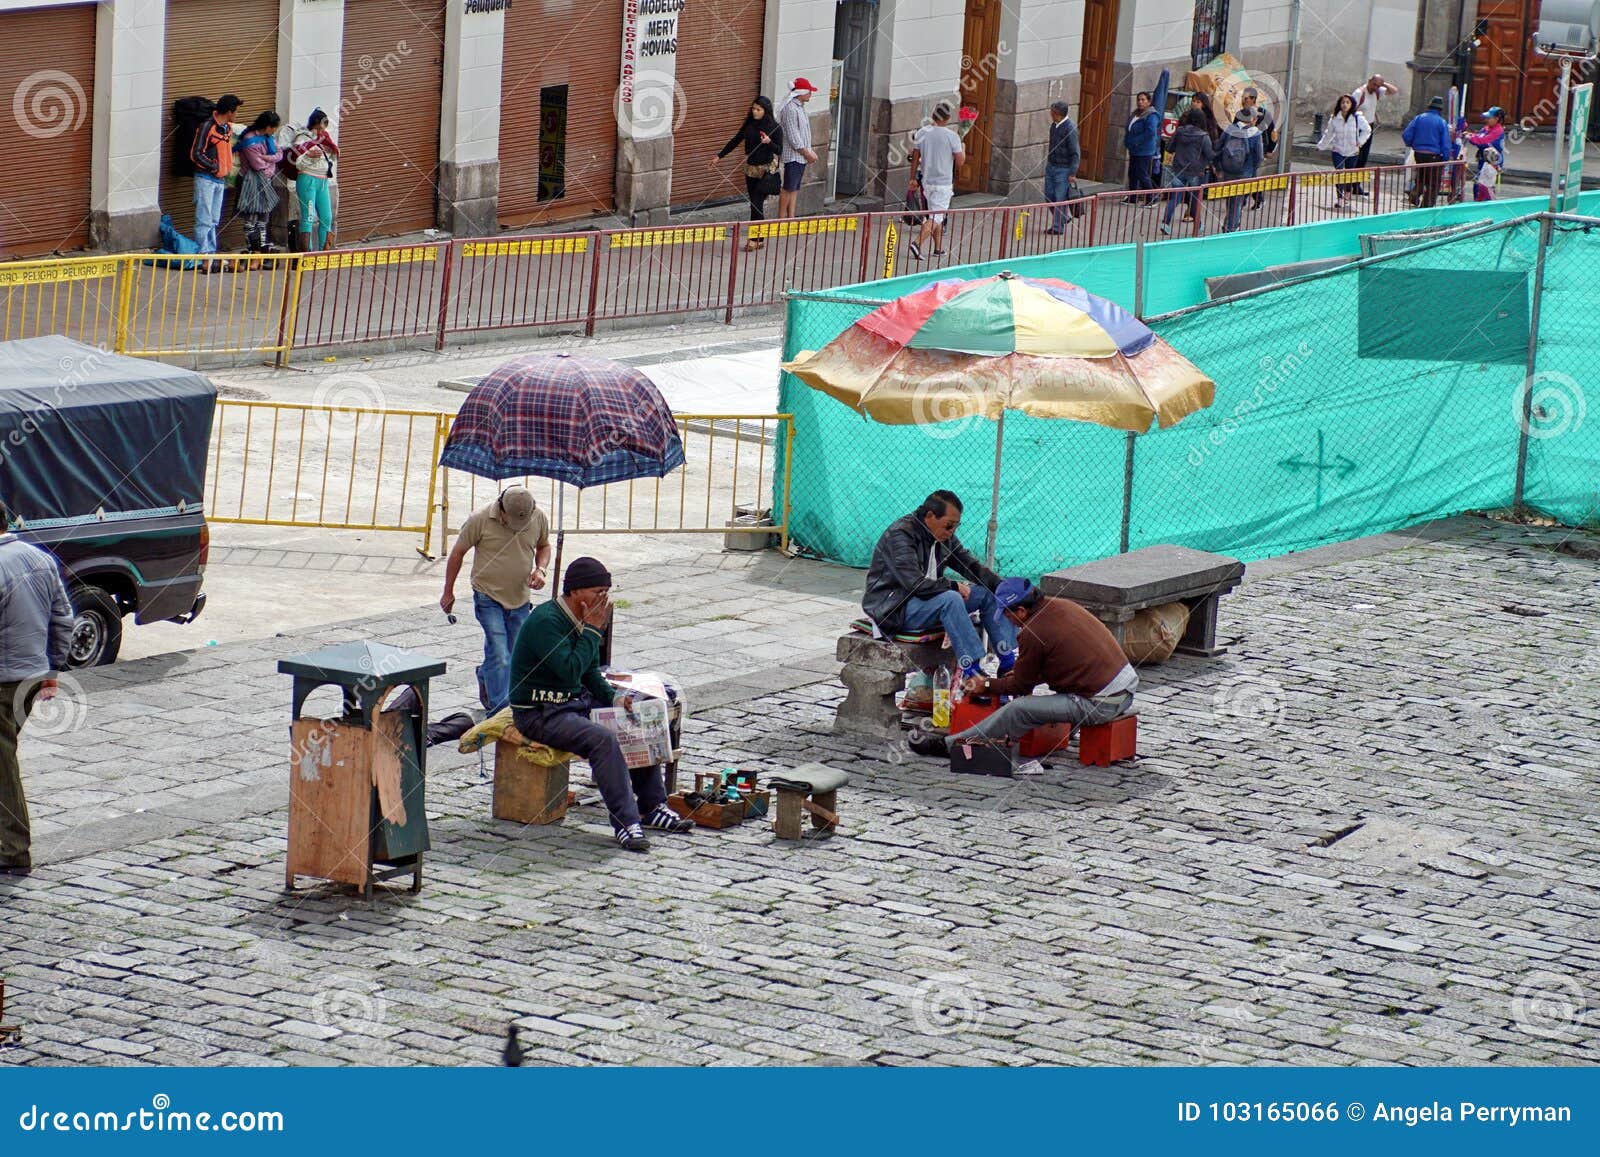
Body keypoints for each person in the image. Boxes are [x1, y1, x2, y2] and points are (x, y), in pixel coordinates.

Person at [508, 557, 693, 852]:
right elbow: (569, 670)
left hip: (574, 702)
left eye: (606, 591)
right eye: (597, 591)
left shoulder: (585, 616)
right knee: (603, 740)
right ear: (575, 592)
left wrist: (618, 699)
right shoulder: (546, 622)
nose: (603, 599)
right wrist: (594, 630)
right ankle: (626, 823)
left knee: (638, 717)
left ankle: (652, 806)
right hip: (541, 711)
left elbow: (589, 672)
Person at [950, 579, 1137, 746]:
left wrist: (987, 684)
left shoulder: (1031, 632)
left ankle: (955, 744)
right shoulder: (1062, 605)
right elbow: (1059, 663)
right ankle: (1058, 735)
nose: (1008, 621)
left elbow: (1021, 686)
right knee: (1050, 697)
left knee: (1017, 709)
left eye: (1007, 616)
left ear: (1021, 611)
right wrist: (1020, 674)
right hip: (1125, 691)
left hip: (1101, 704)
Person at [862, 491, 1016, 681]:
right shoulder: (900, 535)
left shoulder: (944, 536)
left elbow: (971, 566)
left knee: (988, 593)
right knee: (951, 598)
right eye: (949, 526)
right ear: (930, 516)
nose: (951, 532)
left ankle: (1008, 662)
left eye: (955, 527)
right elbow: (914, 584)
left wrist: (1005, 588)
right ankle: (973, 671)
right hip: (896, 609)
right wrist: (953, 586)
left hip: (928, 603)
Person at [0, 531, 75, 877]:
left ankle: (14, 850)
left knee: (3, 768)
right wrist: (53, 669)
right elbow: (63, 619)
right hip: (31, 677)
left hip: (4, 680)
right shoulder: (40, 559)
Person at [440, 487, 552, 715]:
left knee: (516, 652)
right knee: (499, 651)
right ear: (500, 508)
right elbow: (458, 553)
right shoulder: (479, 519)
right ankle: (502, 710)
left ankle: (487, 674)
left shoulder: (538, 516)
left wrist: (540, 570)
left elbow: (544, 545)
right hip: (487, 595)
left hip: (520, 597)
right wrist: (448, 592)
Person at [712, 97, 783, 249]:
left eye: (758, 110)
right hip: (750, 170)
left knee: (756, 204)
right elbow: (736, 139)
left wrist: (769, 142)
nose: (755, 112)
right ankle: (759, 240)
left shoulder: (775, 127)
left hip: (765, 170)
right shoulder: (750, 124)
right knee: (754, 204)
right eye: (753, 109)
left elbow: (780, 150)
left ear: (766, 111)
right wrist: (719, 156)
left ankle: (754, 240)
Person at [906, 104, 965, 261]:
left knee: (934, 214)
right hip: (943, 182)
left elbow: (915, 157)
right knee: (937, 217)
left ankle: (938, 249)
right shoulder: (952, 136)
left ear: (933, 115)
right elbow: (960, 162)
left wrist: (912, 178)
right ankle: (917, 244)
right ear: (948, 118)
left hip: (927, 181)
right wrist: (963, 149)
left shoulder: (922, 133)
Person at [190, 93, 242, 270]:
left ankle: (210, 254)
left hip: (220, 180)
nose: (237, 115)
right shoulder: (207, 127)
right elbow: (196, 153)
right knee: (203, 219)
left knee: (213, 220)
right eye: (236, 111)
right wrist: (214, 166)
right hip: (205, 179)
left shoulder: (227, 128)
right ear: (228, 111)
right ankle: (202, 255)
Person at [289, 108, 339, 251]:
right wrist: (308, 156)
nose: (321, 131)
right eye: (319, 128)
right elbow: (297, 162)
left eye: (323, 128)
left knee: (326, 217)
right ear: (314, 125)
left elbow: (331, 159)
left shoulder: (325, 139)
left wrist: (333, 152)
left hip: (322, 181)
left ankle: (324, 253)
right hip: (307, 180)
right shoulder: (303, 138)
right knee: (308, 218)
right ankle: (307, 254)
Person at [1161, 107, 1214, 236]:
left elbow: (1169, 148)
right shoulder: (1204, 136)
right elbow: (1209, 155)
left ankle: (1165, 223)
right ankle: (1198, 225)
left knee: (1175, 197)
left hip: (1178, 168)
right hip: (1196, 171)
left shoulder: (1179, 132)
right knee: (1195, 199)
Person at [235, 110, 282, 254]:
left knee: (264, 216)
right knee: (250, 217)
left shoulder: (269, 138)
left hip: (266, 180)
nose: (275, 130)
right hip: (251, 181)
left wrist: (267, 158)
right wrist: (270, 161)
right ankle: (252, 248)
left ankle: (263, 247)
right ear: (267, 126)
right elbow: (257, 165)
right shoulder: (250, 140)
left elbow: (279, 155)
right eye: (274, 127)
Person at [1316, 94, 1371, 210]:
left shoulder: (1357, 118)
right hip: (1338, 150)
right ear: (1339, 105)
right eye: (1343, 102)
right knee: (1339, 173)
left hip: (1353, 152)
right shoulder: (1335, 118)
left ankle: (1347, 194)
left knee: (1349, 175)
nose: (1345, 105)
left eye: (1347, 102)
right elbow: (1329, 134)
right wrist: (1321, 146)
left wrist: (1360, 141)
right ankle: (1340, 199)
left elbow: (1367, 130)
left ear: (1351, 105)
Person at [775, 78, 819, 221]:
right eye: (809, 91)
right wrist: (807, 153)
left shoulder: (799, 107)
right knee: (788, 187)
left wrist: (808, 151)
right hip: (794, 155)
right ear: (802, 92)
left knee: (794, 188)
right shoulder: (791, 109)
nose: (811, 94)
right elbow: (794, 137)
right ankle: (781, 219)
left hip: (800, 156)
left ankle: (790, 218)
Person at [1122, 69, 1171, 198]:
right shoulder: (1135, 113)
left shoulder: (1151, 115)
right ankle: (1132, 197)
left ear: (1149, 102)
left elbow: (1150, 132)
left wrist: (1137, 141)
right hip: (1134, 149)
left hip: (1144, 150)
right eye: (1139, 100)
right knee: (1132, 173)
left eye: (1143, 100)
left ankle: (1151, 198)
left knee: (1142, 174)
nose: (1140, 102)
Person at [1349, 75, 1400, 195]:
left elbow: (1394, 91)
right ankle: (1347, 185)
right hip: (1358, 128)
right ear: (1369, 81)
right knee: (1354, 157)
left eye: (1378, 86)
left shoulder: (1377, 92)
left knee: (1363, 159)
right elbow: (1350, 110)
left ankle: (1356, 186)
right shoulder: (1359, 93)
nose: (1375, 87)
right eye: (1374, 84)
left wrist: (1383, 84)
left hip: (1369, 128)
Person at [1217, 108, 1264, 234]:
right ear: (1252, 120)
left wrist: (1219, 167)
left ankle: (1229, 224)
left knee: (1230, 199)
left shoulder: (1229, 130)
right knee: (1237, 201)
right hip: (1245, 172)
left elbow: (1218, 147)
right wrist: (1253, 169)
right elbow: (1259, 156)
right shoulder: (1256, 134)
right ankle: (1231, 227)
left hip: (1228, 170)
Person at [1402, 95, 1453, 208]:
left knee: (1421, 177)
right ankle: (1426, 206)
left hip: (1419, 154)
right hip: (1434, 156)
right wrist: (1445, 157)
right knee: (1433, 183)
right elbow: (1445, 142)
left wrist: (1411, 144)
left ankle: (1414, 195)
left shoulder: (1419, 118)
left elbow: (1406, 134)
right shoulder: (1441, 122)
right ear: (1440, 109)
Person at [1043, 100, 1081, 234]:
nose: (1050, 114)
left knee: (1060, 198)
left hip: (1063, 169)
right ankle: (1064, 217)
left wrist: (1072, 172)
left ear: (1057, 113)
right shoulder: (1054, 126)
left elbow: (1075, 152)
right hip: (1052, 165)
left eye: (1052, 112)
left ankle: (1057, 228)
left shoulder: (1070, 128)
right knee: (1049, 196)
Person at [1241, 86, 1277, 210]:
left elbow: (1273, 132)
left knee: (1249, 174)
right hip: (1243, 149)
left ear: (1253, 99)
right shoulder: (1241, 113)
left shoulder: (1264, 114)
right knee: (1250, 175)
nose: (1243, 100)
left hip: (1258, 149)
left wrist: (1270, 150)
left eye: (1245, 98)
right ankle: (1255, 199)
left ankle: (1247, 200)